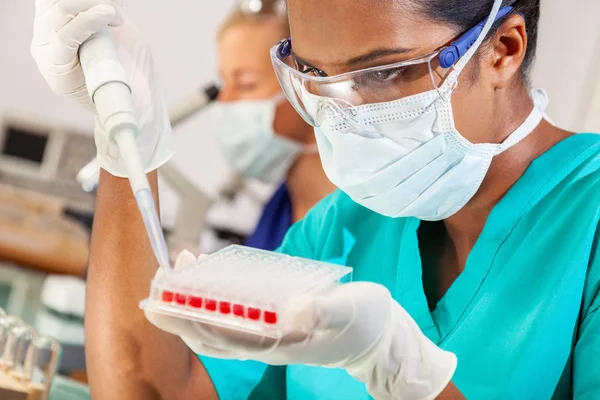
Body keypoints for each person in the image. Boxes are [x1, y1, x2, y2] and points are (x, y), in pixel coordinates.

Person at [30, 0, 600, 399]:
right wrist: (130, 141)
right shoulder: (342, 228)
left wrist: (404, 373)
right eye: (314, 76)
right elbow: (151, 392)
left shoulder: (586, 218)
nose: (344, 114)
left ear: (502, 49)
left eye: (379, 73)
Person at [208, 0, 334, 252]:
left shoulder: (370, 219)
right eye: (224, 82)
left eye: (246, 84)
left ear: (311, 85)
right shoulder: (278, 211)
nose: (224, 100)